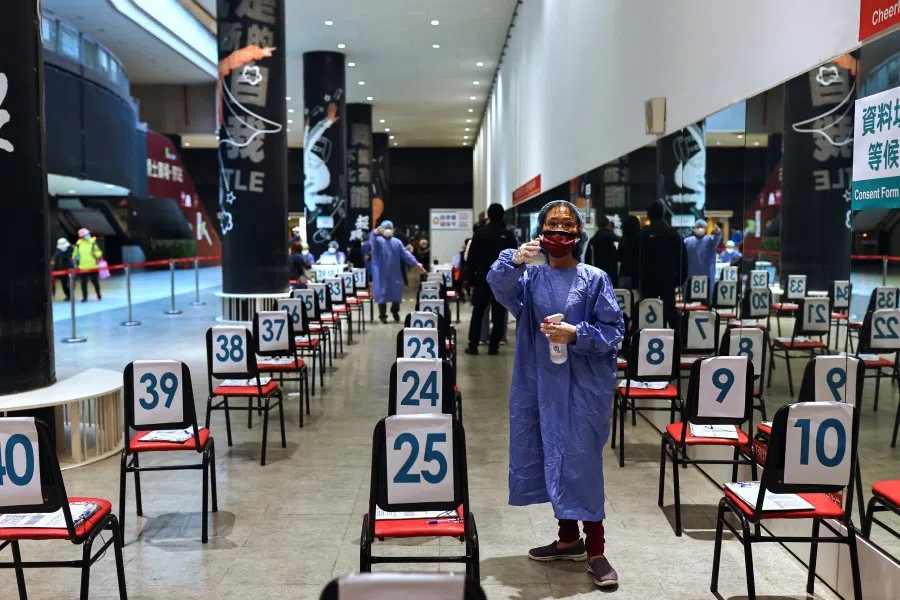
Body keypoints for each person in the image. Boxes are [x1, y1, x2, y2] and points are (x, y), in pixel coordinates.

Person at [488, 200, 624, 588]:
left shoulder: (594, 278)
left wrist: (576, 333)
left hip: (582, 387)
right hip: (539, 382)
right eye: (551, 225)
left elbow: (614, 331)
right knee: (549, 450)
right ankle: (568, 539)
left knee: (581, 461)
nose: (558, 232)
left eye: (566, 226)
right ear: (540, 231)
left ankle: (596, 549)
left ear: (578, 234)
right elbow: (498, 286)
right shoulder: (529, 280)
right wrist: (513, 260)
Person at [464, 203, 518, 355]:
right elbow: (515, 260)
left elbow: (471, 259)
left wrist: (469, 280)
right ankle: (493, 346)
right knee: (499, 314)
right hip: (501, 282)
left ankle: (473, 345)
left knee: (478, 312)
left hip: (482, 280)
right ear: (502, 216)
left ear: (488, 215)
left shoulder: (480, 234)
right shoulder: (508, 236)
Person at [640, 202, 686, 328]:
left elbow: (638, 258)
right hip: (668, 278)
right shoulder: (674, 233)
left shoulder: (644, 234)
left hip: (648, 279)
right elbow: (683, 258)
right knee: (670, 308)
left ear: (649, 216)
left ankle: (649, 337)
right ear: (663, 214)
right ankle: (678, 340)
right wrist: (681, 278)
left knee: (649, 307)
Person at [369, 220, 425, 322]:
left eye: (390, 228)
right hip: (381, 274)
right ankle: (383, 316)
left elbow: (406, 254)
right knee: (382, 295)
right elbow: (372, 240)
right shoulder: (378, 241)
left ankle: (395, 311)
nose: (388, 230)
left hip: (394, 273)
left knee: (396, 294)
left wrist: (416, 263)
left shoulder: (397, 242)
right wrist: (374, 233)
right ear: (381, 229)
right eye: (386, 228)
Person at [683, 218, 723, 292]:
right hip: (690, 274)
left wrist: (718, 232)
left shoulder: (710, 240)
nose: (700, 229)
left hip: (707, 274)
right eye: (698, 227)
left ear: (705, 229)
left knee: (707, 297)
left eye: (702, 227)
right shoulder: (687, 241)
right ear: (694, 229)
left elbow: (717, 238)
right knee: (689, 297)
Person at [586, 215, 619, 287]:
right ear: (608, 224)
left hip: (597, 275)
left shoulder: (593, 240)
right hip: (612, 274)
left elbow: (587, 258)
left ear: (598, 226)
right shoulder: (615, 238)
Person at [73, 228, 103, 302]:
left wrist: (96, 255)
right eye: (86, 234)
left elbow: (98, 252)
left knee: (95, 282)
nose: (87, 235)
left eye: (87, 234)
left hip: (93, 266)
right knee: (83, 284)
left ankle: (98, 294)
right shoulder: (78, 243)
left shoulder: (92, 242)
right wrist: (76, 258)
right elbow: (75, 253)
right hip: (82, 267)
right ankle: (84, 297)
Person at [617, 215, 641, 290]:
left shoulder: (622, 240)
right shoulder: (641, 239)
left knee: (625, 298)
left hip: (624, 273)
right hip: (638, 274)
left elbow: (619, 257)